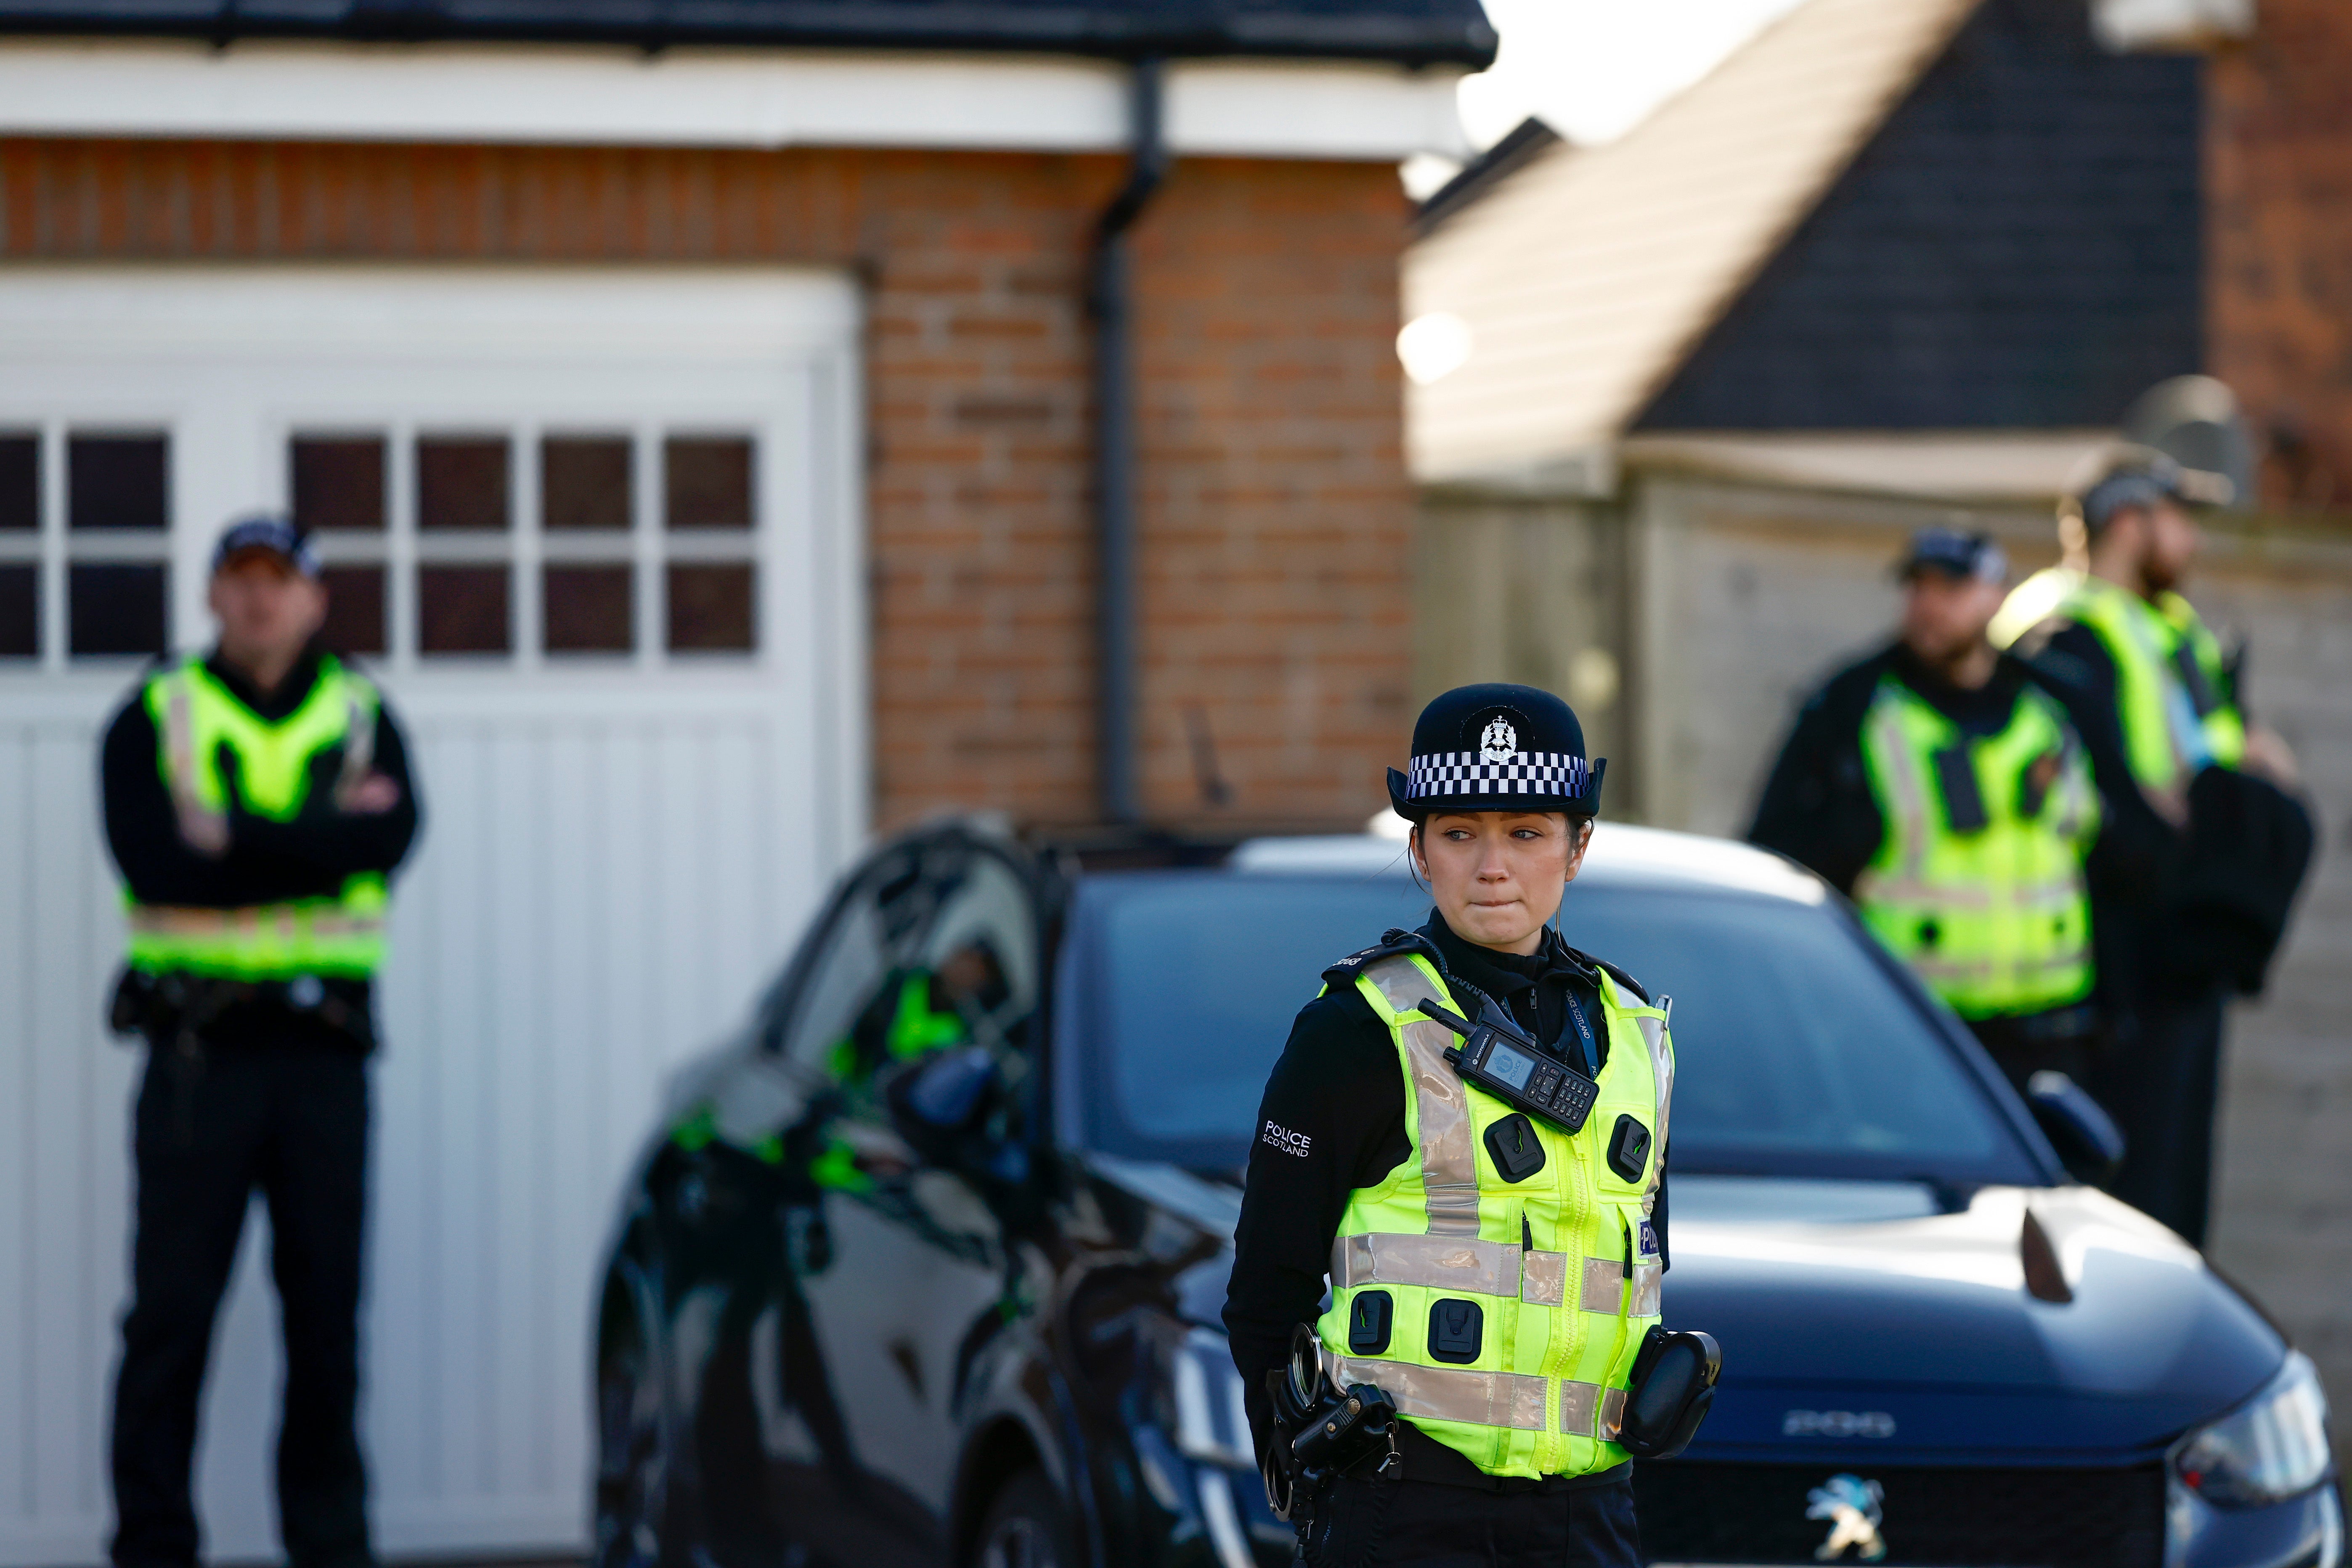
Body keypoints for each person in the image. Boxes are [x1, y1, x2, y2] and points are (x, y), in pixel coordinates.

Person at [1225, 683, 1675, 1568]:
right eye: (1460, 833)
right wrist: (1297, 1462)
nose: (1492, 866)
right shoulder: (1358, 1027)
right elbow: (1268, 1287)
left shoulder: (1635, 1032)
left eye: (1527, 833)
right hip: (1405, 1506)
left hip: (1589, 1512)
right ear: (1420, 850)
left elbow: (1645, 1259)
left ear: (1579, 847)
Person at [101, 515, 420, 1568]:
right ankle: (153, 1548)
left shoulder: (366, 712)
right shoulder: (157, 713)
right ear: (212, 596)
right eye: (239, 580)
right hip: (199, 1063)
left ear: (316, 598)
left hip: (324, 1062)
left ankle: (329, 1549)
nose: (259, 600)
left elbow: (389, 841)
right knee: (168, 1330)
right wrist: (318, 847)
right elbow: (157, 863)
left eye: (279, 581)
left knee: (326, 1329)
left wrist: (232, 838)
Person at [1991, 456, 2311, 1245]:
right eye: (2180, 517)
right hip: (2120, 959)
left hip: (2187, 950)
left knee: (2177, 1201)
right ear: (2131, 522)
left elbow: (2237, 755)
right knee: (2127, 1199)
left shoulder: (2172, 632)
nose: (2194, 540)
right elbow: (2107, 795)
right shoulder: (2061, 630)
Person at [1746, 527, 2143, 1092]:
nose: (1929, 606)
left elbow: (2120, 854)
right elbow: (1778, 854)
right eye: (1918, 588)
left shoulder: (2058, 706)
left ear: (1997, 595)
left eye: (1951, 589)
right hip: (1907, 1034)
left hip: (2052, 1037)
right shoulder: (1852, 706)